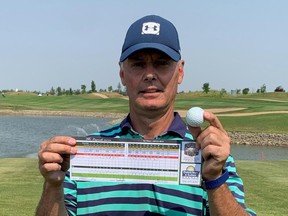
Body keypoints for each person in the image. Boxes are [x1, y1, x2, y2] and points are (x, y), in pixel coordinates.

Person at [36, 15, 256, 216]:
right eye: (138, 64)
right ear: (122, 73)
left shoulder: (210, 156)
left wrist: (215, 180)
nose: (150, 74)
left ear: (180, 71)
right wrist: (52, 186)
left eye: (161, 63)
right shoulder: (83, 154)